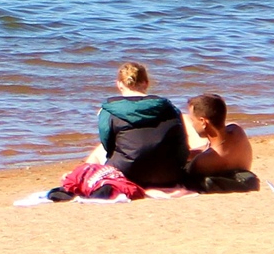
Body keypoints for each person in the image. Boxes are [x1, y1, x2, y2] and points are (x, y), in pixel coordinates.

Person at [46, 63, 190, 200]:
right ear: (146, 82)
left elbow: (108, 146)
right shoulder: (170, 108)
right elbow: (181, 146)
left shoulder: (109, 110)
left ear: (119, 84)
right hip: (168, 176)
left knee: (100, 149)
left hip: (127, 174)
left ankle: (81, 177)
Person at [182, 94, 256, 191]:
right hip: (239, 169)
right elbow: (215, 146)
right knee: (184, 117)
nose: (192, 124)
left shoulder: (204, 161)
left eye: (193, 120)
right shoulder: (237, 131)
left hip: (216, 171)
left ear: (203, 122)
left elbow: (183, 171)